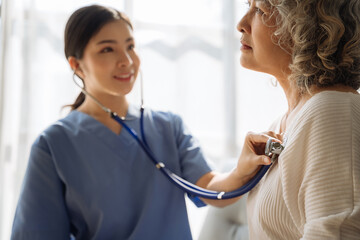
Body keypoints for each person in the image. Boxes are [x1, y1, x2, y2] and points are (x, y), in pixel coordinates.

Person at [11, 4, 276, 240]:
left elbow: (209, 189)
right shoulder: (54, 144)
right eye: (107, 49)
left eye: (130, 46)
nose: (126, 61)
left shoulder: (168, 127)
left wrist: (241, 171)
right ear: (76, 65)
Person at [237, 0, 360, 239]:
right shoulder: (281, 125)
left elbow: (336, 232)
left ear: (305, 27)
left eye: (260, 10)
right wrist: (239, 175)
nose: (241, 24)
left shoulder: (334, 111)